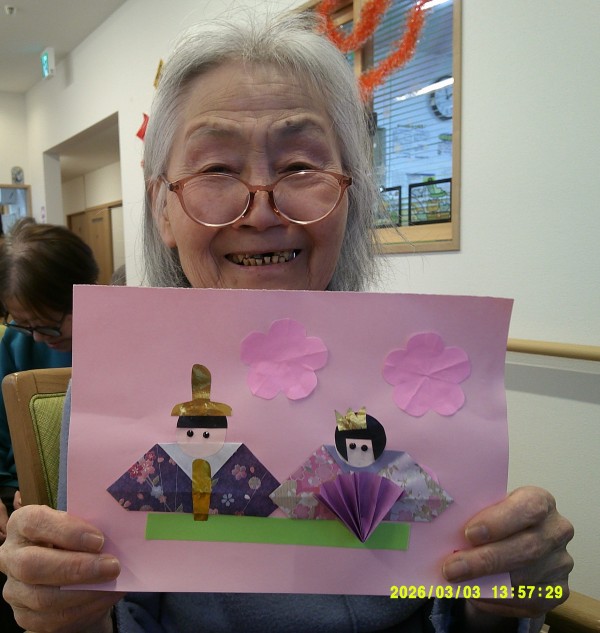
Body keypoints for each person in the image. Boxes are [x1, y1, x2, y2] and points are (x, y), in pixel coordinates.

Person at [0, 12, 573, 633]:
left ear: (351, 196)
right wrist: (67, 615)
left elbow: (461, 602)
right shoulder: (115, 394)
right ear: (162, 209)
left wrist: (508, 594)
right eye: (216, 169)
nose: (262, 210)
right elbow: (115, 612)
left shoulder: (419, 376)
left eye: (300, 165)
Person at [0, 217, 99, 632]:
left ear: (84, 291)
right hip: (20, 496)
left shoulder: (115, 338)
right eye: (23, 323)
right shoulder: (15, 343)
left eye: (47, 323)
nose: (38, 338)